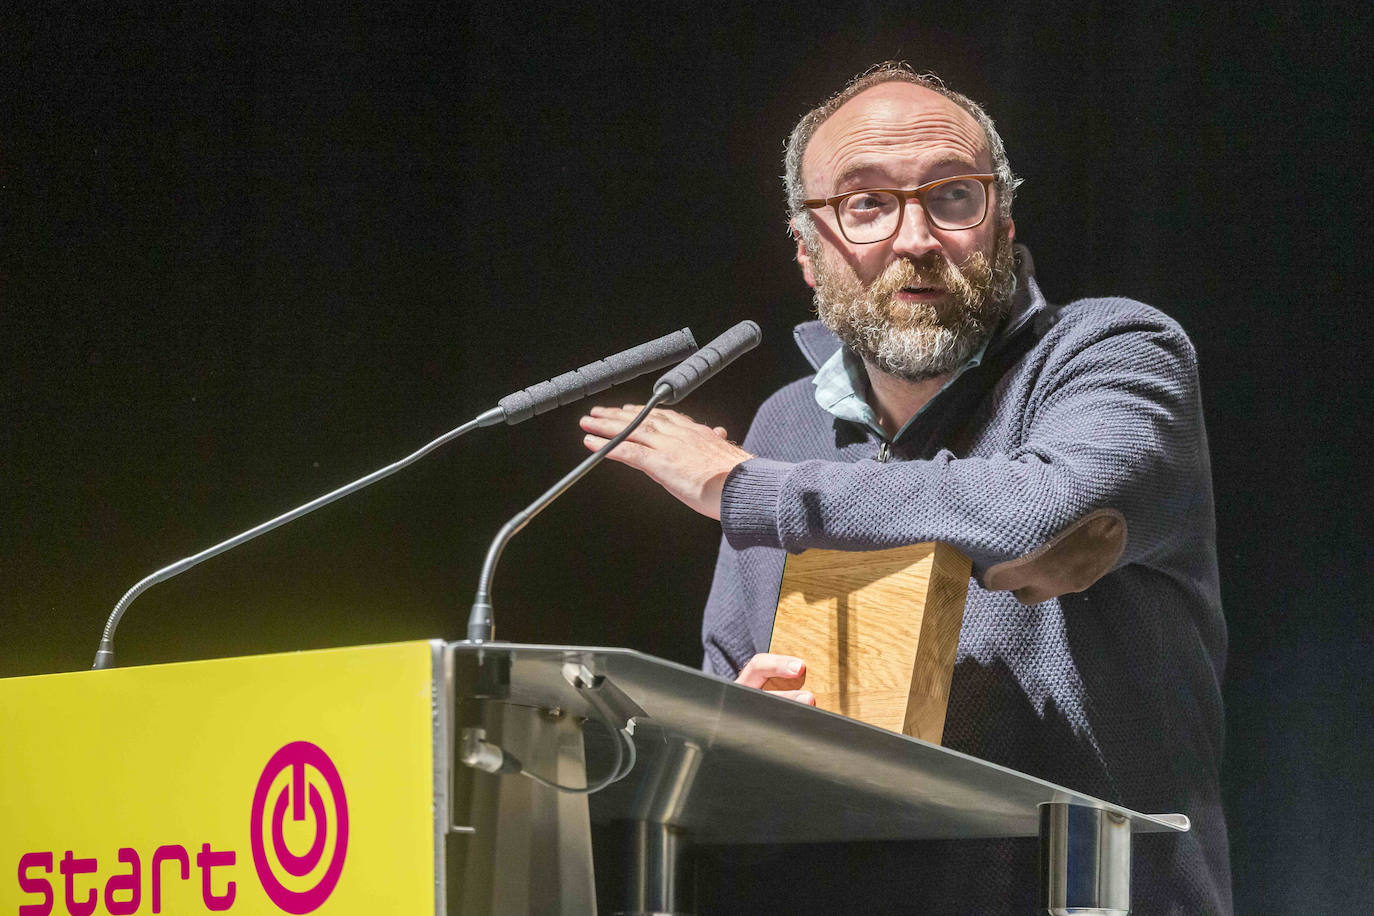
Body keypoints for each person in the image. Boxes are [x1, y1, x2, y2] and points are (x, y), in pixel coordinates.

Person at [580, 63, 1231, 914]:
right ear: (807, 254)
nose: (915, 236)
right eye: (866, 204)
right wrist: (740, 728)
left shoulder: (1111, 354)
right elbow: (730, 676)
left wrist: (749, 488)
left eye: (954, 196)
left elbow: (1049, 505)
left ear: (1000, 224)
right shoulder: (787, 426)